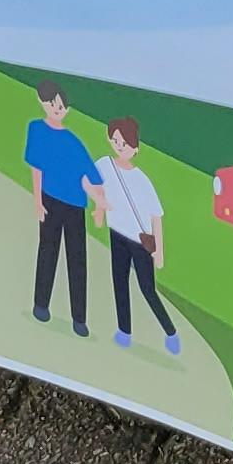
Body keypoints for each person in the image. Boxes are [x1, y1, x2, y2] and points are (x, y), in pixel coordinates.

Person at [93, 115, 176, 355]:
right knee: (119, 282)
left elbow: (156, 216)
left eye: (125, 143)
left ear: (135, 148)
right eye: (116, 141)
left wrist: (159, 251)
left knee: (147, 288)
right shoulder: (105, 164)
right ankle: (124, 331)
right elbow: (90, 181)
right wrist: (99, 206)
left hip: (140, 240)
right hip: (117, 234)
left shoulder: (142, 180)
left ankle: (170, 331)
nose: (120, 146)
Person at [26, 81, 94, 337]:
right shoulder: (36, 129)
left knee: (77, 258)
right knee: (48, 250)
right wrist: (37, 201)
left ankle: (79, 318)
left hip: (75, 204)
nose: (57, 109)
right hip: (50, 199)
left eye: (61, 105)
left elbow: (88, 176)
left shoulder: (73, 141)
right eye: (52, 104)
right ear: (43, 103)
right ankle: (41, 304)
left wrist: (100, 202)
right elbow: (36, 167)